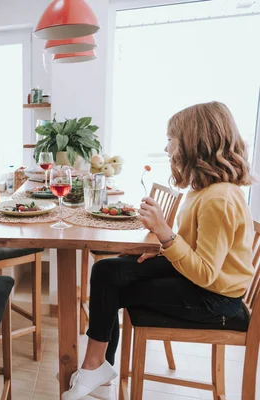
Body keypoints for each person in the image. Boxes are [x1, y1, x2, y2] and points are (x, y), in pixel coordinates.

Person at [62, 101, 255, 400]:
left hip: (215, 300)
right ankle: (99, 368)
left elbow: (206, 272)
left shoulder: (219, 199)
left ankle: (94, 367)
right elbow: (196, 248)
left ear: (194, 142)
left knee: (111, 291)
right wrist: (166, 250)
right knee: (107, 270)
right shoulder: (204, 190)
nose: (167, 149)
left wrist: (165, 235)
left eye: (171, 140)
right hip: (201, 281)